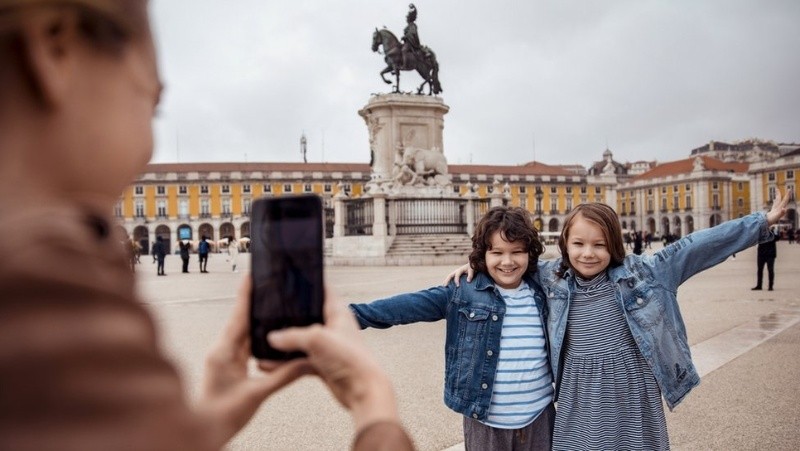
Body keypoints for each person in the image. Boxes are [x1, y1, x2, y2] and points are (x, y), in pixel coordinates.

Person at [0, 1, 413, 449]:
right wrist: (374, 406)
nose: (147, 146)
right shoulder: (41, 282)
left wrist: (192, 430)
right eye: (151, 102)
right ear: (56, 49)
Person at [446, 190, 789, 450]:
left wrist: (761, 221)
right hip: (579, 395)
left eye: (600, 244)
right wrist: (477, 266)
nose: (588, 253)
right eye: (578, 243)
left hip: (630, 392)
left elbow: (694, 247)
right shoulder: (551, 276)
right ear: (565, 243)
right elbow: (509, 262)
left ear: (615, 245)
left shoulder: (646, 273)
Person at [350, 206, 555, 451]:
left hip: (539, 418)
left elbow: (579, 263)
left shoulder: (544, 290)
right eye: (497, 252)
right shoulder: (462, 291)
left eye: (517, 252)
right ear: (482, 255)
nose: (507, 261)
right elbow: (404, 307)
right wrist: (347, 317)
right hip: (486, 422)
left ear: (529, 254)